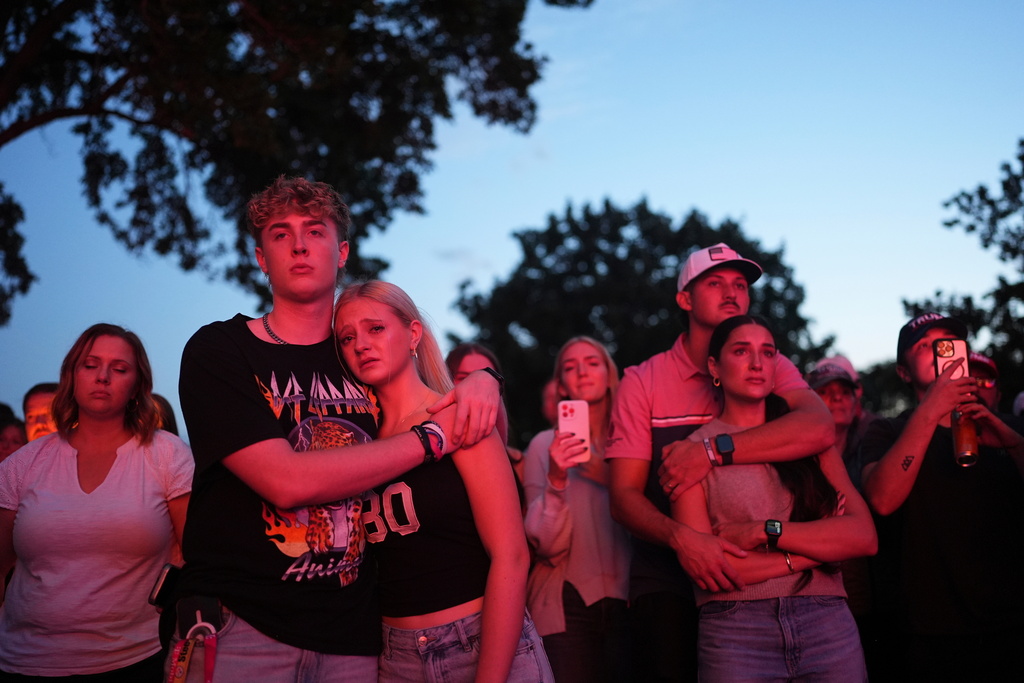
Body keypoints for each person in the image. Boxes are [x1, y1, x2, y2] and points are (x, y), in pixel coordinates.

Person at [172, 176, 502, 682]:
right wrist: (433, 438)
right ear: (261, 258)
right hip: (244, 628)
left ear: (342, 251)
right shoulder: (220, 351)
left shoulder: (361, 356)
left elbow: (427, 387)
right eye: (280, 234)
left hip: (357, 642)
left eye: (315, 231)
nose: (299, 244)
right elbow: (286, 482)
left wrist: (484, 377)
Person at [606, 243, 833, 682]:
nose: (732, 293)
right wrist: (681, 539)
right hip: (668, 575)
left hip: (757, 574)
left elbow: (819, 428)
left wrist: (711, 451)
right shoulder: (643, 380)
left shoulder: (770, 363)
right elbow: (622, 497)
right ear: (685, 299)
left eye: (740, 285)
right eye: (715, 283)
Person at [334, 280, 550, 682]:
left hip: (479, 639)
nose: (361, 344)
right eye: (347, 337)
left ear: (413, 333)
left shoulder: (458, 419)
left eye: (375, 328)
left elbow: (512, 556)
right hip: (395, 656)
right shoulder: (355, 442)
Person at [673, 315, 875, 682]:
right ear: (714, 366)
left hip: (826, 621)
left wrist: (766, 531)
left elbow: (863, 537)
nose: (757, 363)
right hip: (736, 629)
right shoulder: (688, 455)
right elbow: (712, 573)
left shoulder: (809, 438)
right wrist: (819, 549)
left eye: (767, 353)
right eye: (741, 351)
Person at [0, 323, 193, 680]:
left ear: (137, 386)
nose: (103, 376)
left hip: (137, 659)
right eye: (90, 365)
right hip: (26, 660)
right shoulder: (22, 465)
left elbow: (196, 553)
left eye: (119, 369)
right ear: (71, 376)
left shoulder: (167, 456)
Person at [860, 313, 1024, 680]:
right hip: (926, 636)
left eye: (949, 342)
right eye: (925, 345)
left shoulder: (1007, 429)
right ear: (903, 373)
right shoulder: (886, 432)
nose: (939, 351)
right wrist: (933, 410)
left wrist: (1013, 444)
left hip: (1010, 629)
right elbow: (882, 499)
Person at [523, 336, 631, 682]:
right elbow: (548, 547)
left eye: (593, 362)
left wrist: (607, 475)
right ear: (561, 385)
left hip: (632, 601)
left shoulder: (634, 442)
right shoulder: (543, 446)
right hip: (564, 605)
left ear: (611, 376)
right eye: (570, 367)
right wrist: (557, 479)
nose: (582, 371)